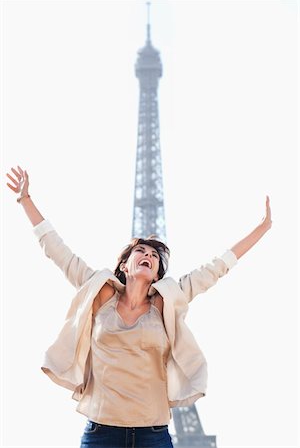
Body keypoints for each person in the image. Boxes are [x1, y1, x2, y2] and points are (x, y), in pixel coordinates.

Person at [6, 165, 272, 448]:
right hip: (101, 433)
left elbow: (217, 267)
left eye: (154, 256)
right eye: (140, 252)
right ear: (124, 265)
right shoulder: (100, 292)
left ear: (157, 273)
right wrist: (26, 200)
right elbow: (58, 251)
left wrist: (263, 228)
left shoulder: (167, 300)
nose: (148, 255)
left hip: (152, 434)